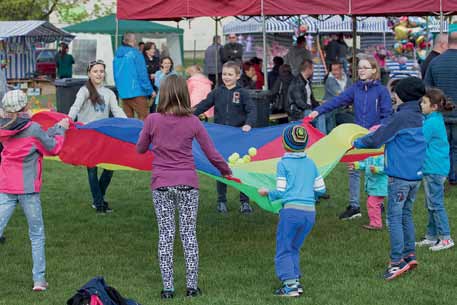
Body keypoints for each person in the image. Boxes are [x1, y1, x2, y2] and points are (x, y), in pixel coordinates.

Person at [136, 75, 232, 299]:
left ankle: (168, 289)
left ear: (163, 93)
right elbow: (211, 152)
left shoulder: (152, 120)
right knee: (188, 234)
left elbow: (140, 149)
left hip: (161, 184)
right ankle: (191, 287)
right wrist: (225, 170)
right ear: (184, 94)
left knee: (166, 236)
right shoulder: (193, 121)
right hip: (188, 184)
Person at [353, 77, 426, 280]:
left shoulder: (400, 118)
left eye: (395, 93)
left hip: (399, 177)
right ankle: (409, 254)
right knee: (406, 215)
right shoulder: (420, 116)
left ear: (402, 95)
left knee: (394, 218)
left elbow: (378, 138)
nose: (393, 96)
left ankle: (396, 263)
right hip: (415, 177)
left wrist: (357, 143)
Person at [0, 90, 69, 291]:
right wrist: (60, 129)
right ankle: (39, 280)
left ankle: (39, 279)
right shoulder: (33, 129)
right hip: (28, 189)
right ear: (26, 107)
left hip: (5, 186)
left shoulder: (3, 128)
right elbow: (52, 147)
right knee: (36, 234)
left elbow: (33, 138)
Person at [308, 56, 392, 220]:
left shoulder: (381, 91)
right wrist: (318, 111)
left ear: (374, 70)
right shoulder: (355, 89)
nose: (361, 70)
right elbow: (337, 101)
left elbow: (387, 115)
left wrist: (377, 129)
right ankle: (354, 206)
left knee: (374, 171)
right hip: (358, 137)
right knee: (353, 169)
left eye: (365, 67)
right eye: (359, 67)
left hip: (376, 138)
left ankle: (377, 202)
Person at [257, 125, 326, 297]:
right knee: (294, 247)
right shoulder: (311, 164)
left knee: (284, 248)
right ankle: (295, 281)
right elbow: (321, 189)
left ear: (284, 144)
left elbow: (281, 191)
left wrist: (267, 192)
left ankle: (290, 287)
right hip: (310, 213)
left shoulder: (283, 163)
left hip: (291, 213)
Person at [193, 61, 256, 214]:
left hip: (239, 137)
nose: (226, 77)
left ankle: (245, 202)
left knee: (242, 169)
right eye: (224, 74)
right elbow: (204, 105)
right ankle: (221, 201)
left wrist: (248, 124)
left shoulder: (243, 93)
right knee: (222, 169)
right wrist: (189, 113)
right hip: (221, 138)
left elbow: (252, 110)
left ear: (237, 76)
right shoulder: (217, 92)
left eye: (230, 74)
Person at [68, 60, 127, 214]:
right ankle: (99, 203)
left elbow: (117, 110)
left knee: (110, 167)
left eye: (101, 71)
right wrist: (67, 121)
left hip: (104, 135)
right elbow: (75, 107)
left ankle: (98, 199)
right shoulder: (84, 91)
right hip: (88, 136)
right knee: (92, 170)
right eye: (95, 71)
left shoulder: (109, 93)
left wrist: (129, 123)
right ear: (89, 73)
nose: (99, 74)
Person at [416, 88, 454, 251]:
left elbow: (419, 140)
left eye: (424, 102)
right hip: (434, 168)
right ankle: (431, 237)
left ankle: (446, 238)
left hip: (434, 169)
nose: (421, 104)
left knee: (435, 204)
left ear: (434, 106)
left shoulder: (431, 122)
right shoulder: (433, 118)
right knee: (431, 203)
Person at [424, 25, 457, 185]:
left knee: (441, 147)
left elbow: (427, 89)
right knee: (455, 147)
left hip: (440, 113)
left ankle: (442, 176)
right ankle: (454, 177)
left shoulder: (435, 62)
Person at [350, 132, 387, 230]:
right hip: (372, 185)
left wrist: (376, 169)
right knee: (374, 203)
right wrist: (357, 165)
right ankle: (381, 221)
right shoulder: (370, 155)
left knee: (372, 203)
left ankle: (376, 224)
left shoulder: (382, 155)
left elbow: (386, 168)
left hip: (379, 186)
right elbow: (365, 165)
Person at [113, 33, 153, 121]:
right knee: (144, 120)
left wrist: (120, 89)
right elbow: (142, 74)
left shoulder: (117, 56)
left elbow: (115, 74)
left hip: (123, 93)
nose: (135, 41)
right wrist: (150, 90)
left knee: (128, 122)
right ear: (132, 41)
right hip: (137, 92)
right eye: (135, 39)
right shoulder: (136, 54)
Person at [287, 60, 325, 133]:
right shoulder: (297, 82)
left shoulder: (306, 81)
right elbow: (299, 103)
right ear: (308, 69)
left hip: (306, 109)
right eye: (312, 68)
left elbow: (312, 99)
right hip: (298, 112)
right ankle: (322, 139)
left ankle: (327, 137)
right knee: (320, 116)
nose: (313, 71)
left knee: (326, 112)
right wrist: (314, 110)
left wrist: (320, 106)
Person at [322, 61, 352, 133]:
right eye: (332, 70)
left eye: (336, 70)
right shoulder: (330, 80)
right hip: (334, 111)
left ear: (341, 70)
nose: (333, 72)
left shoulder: (347, 79)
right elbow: (340, 96)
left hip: (344, 109)